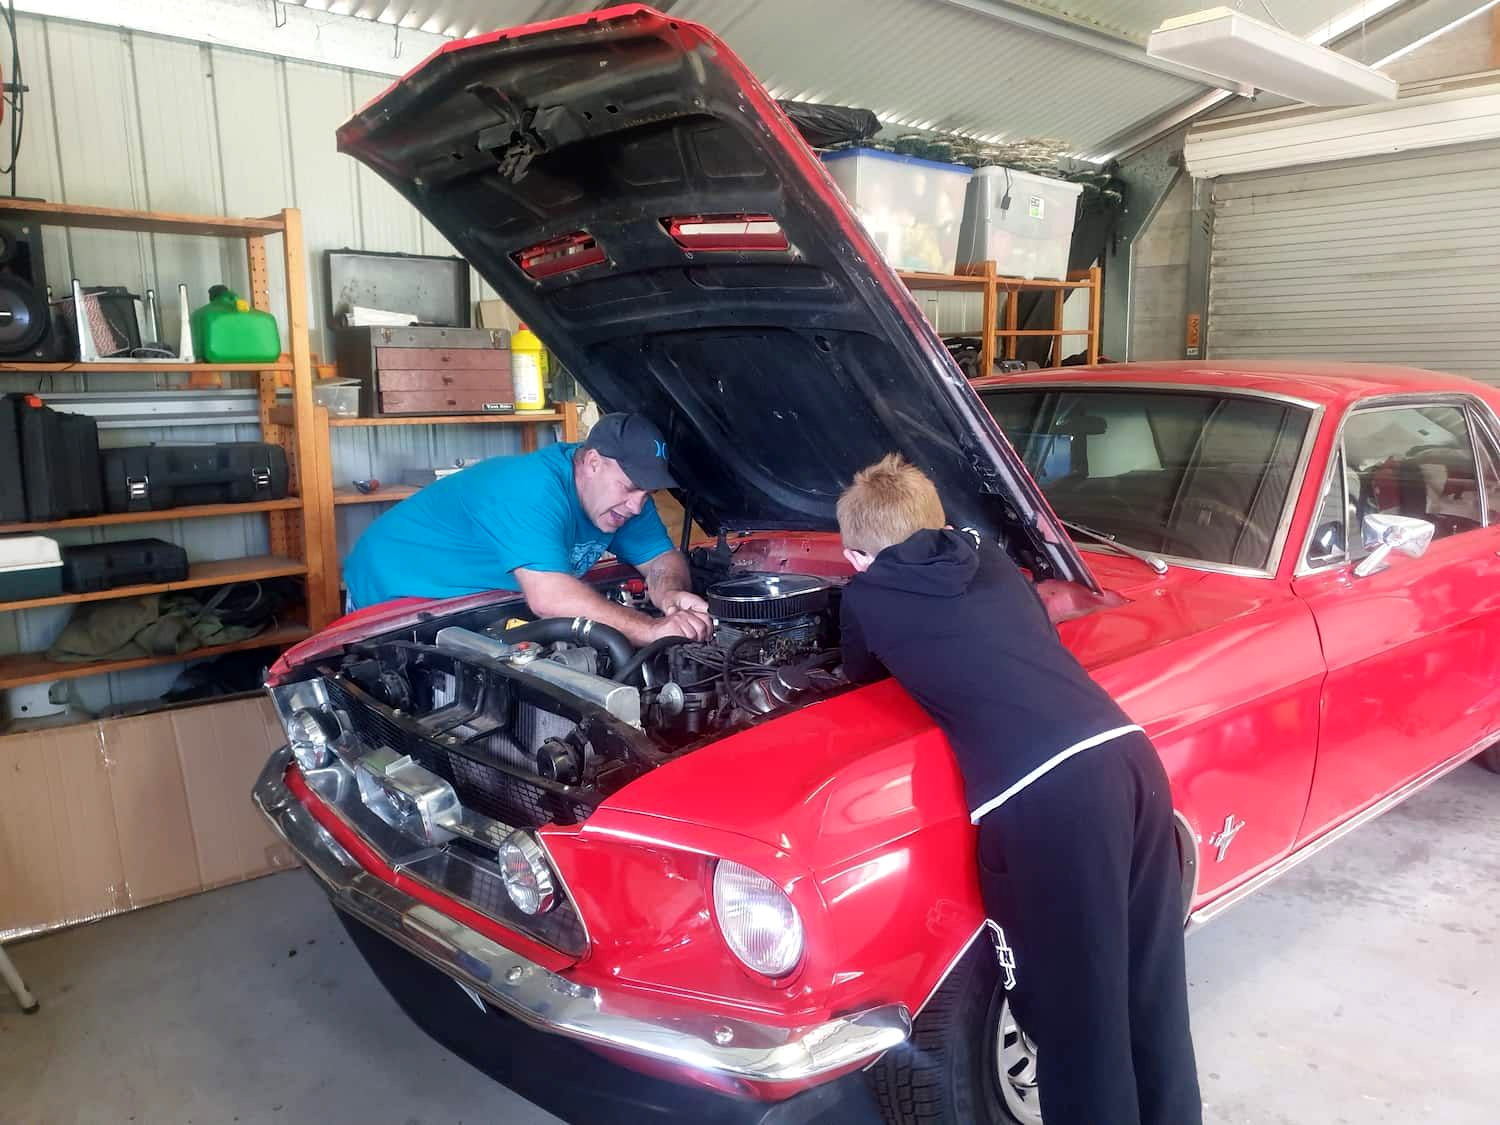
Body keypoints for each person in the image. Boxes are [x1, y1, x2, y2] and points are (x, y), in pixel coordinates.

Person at [836, 454, 1201, 1125]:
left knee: (1076, 1018)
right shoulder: (997, 563)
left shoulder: (865, 596)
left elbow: (859, 679)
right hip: (1127, 756)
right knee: (1151, 990)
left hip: (1048, 797)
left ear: (856, 555)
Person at [342, 412, 711, 646]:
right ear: (594, 462)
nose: (637, 505)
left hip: (485, 599)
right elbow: (549, 598)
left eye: (648, 493)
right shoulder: (529, 487)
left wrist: (670, 596)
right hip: (399, 590)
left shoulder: (627, 500)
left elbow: (662, 559)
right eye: (630, 488)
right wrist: (649, 629)